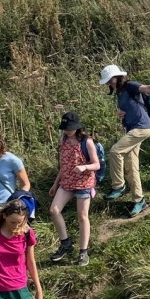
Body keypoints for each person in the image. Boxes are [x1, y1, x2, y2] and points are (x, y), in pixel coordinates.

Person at [97, 65, 150, 218]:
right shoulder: (120, 92)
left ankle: (118, 186)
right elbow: (131, 108)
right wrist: (122, 113)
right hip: (132, 129)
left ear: (118, 77)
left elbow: (148, 88)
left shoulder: (130, 85)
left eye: (110, 80)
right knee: (131, 165)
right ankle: (139, 200)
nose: (109, 83)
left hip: (141, 127)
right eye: (107, 81)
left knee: (115, 151)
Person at [48, 113, 99, 266]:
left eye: (70, 128)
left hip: (84, 183)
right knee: (54, 210)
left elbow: (96, 164)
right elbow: (64, 166)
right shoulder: (63, 140)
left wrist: (84, 167)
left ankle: (83, 252)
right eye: (65, 128)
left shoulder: (87, 142)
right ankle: (65, 244)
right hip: (66, 182)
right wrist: (55, 184)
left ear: (77, 127)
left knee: (82, 216)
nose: (67, 131)